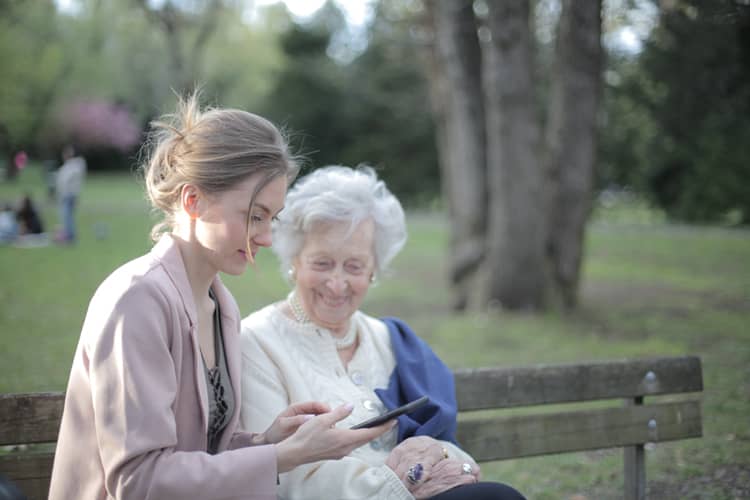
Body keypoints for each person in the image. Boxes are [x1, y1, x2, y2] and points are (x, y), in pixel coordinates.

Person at [48, 96, 393, 500]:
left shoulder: (220, 305)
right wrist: (279, 458)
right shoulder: (136, 300)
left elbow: (199, 452)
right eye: (253, 216)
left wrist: (267, 441)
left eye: (272, 219)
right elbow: (138, 481)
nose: (265, 238)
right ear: (193, 201)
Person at [239, 166, 525, 500]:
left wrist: (440, 457)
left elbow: (452, 453)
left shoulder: (391, 340)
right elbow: (283, 476)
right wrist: (399, 484)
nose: (337, 283)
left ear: (373, 270)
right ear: (294, 261)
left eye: (354, 266)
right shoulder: (257, 343)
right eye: (321, 263)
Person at [54, 144, 86, 243]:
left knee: (67, 216)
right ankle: (69, 235)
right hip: (69, 194)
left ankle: (70, 236)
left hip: (68, 195)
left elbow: (65, 182)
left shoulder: (72, 166)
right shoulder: (72, 166)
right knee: (67, 216)